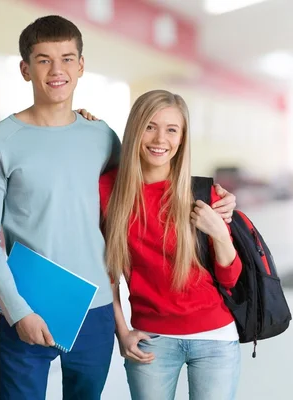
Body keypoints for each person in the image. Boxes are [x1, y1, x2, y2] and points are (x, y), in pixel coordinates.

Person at [0, 15, 237, 400]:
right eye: (44, 59)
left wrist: (213, 196)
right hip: (29, 299)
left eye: (67, 58)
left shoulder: (101, 136)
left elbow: (147, 176)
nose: (56, 70)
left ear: (81, 66)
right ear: (24, 69)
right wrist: (17, 310)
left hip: (95, 307)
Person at [100, 90, 242, 400]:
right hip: (151, 340)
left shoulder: (203, 193)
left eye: (171, 129)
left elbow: (231, 278)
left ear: (181, 139)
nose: (159, 138)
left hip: (215, 339)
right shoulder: (108, 190)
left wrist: (218, 231)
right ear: (135, 129)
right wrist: (121, 331)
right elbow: (105, 272)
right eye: (150, 126)